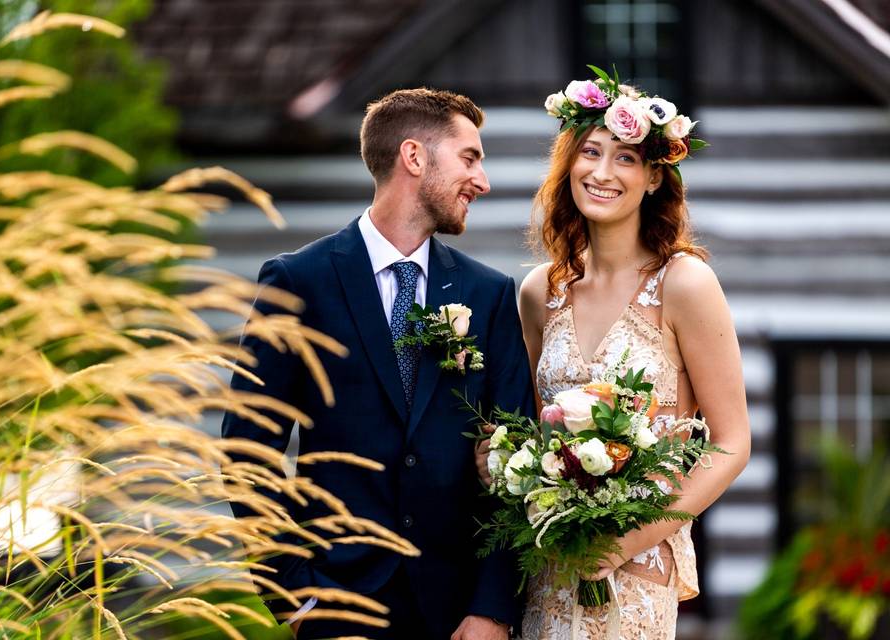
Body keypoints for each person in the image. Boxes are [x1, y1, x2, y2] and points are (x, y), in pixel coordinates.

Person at [222, 88, 535, 639]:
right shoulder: (300, 282)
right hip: (339, 607)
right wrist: (298, 600)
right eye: (470, 158)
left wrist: (492, 608)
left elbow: (518, 461)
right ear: (414, 157)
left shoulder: (487, 294)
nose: (482, 181)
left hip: (458, 614)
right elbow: (248, 452)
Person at [477, 73, 751, 638]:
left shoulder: (685, 283)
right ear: (568, 164)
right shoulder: (539, 292)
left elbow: (731, 442)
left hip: (636, 568)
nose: (601, 173)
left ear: (654, 177)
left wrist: (625, 541)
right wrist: (499, 461)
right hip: (548, 565)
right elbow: (529, 430)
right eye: (589, 153)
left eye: (625, 158)